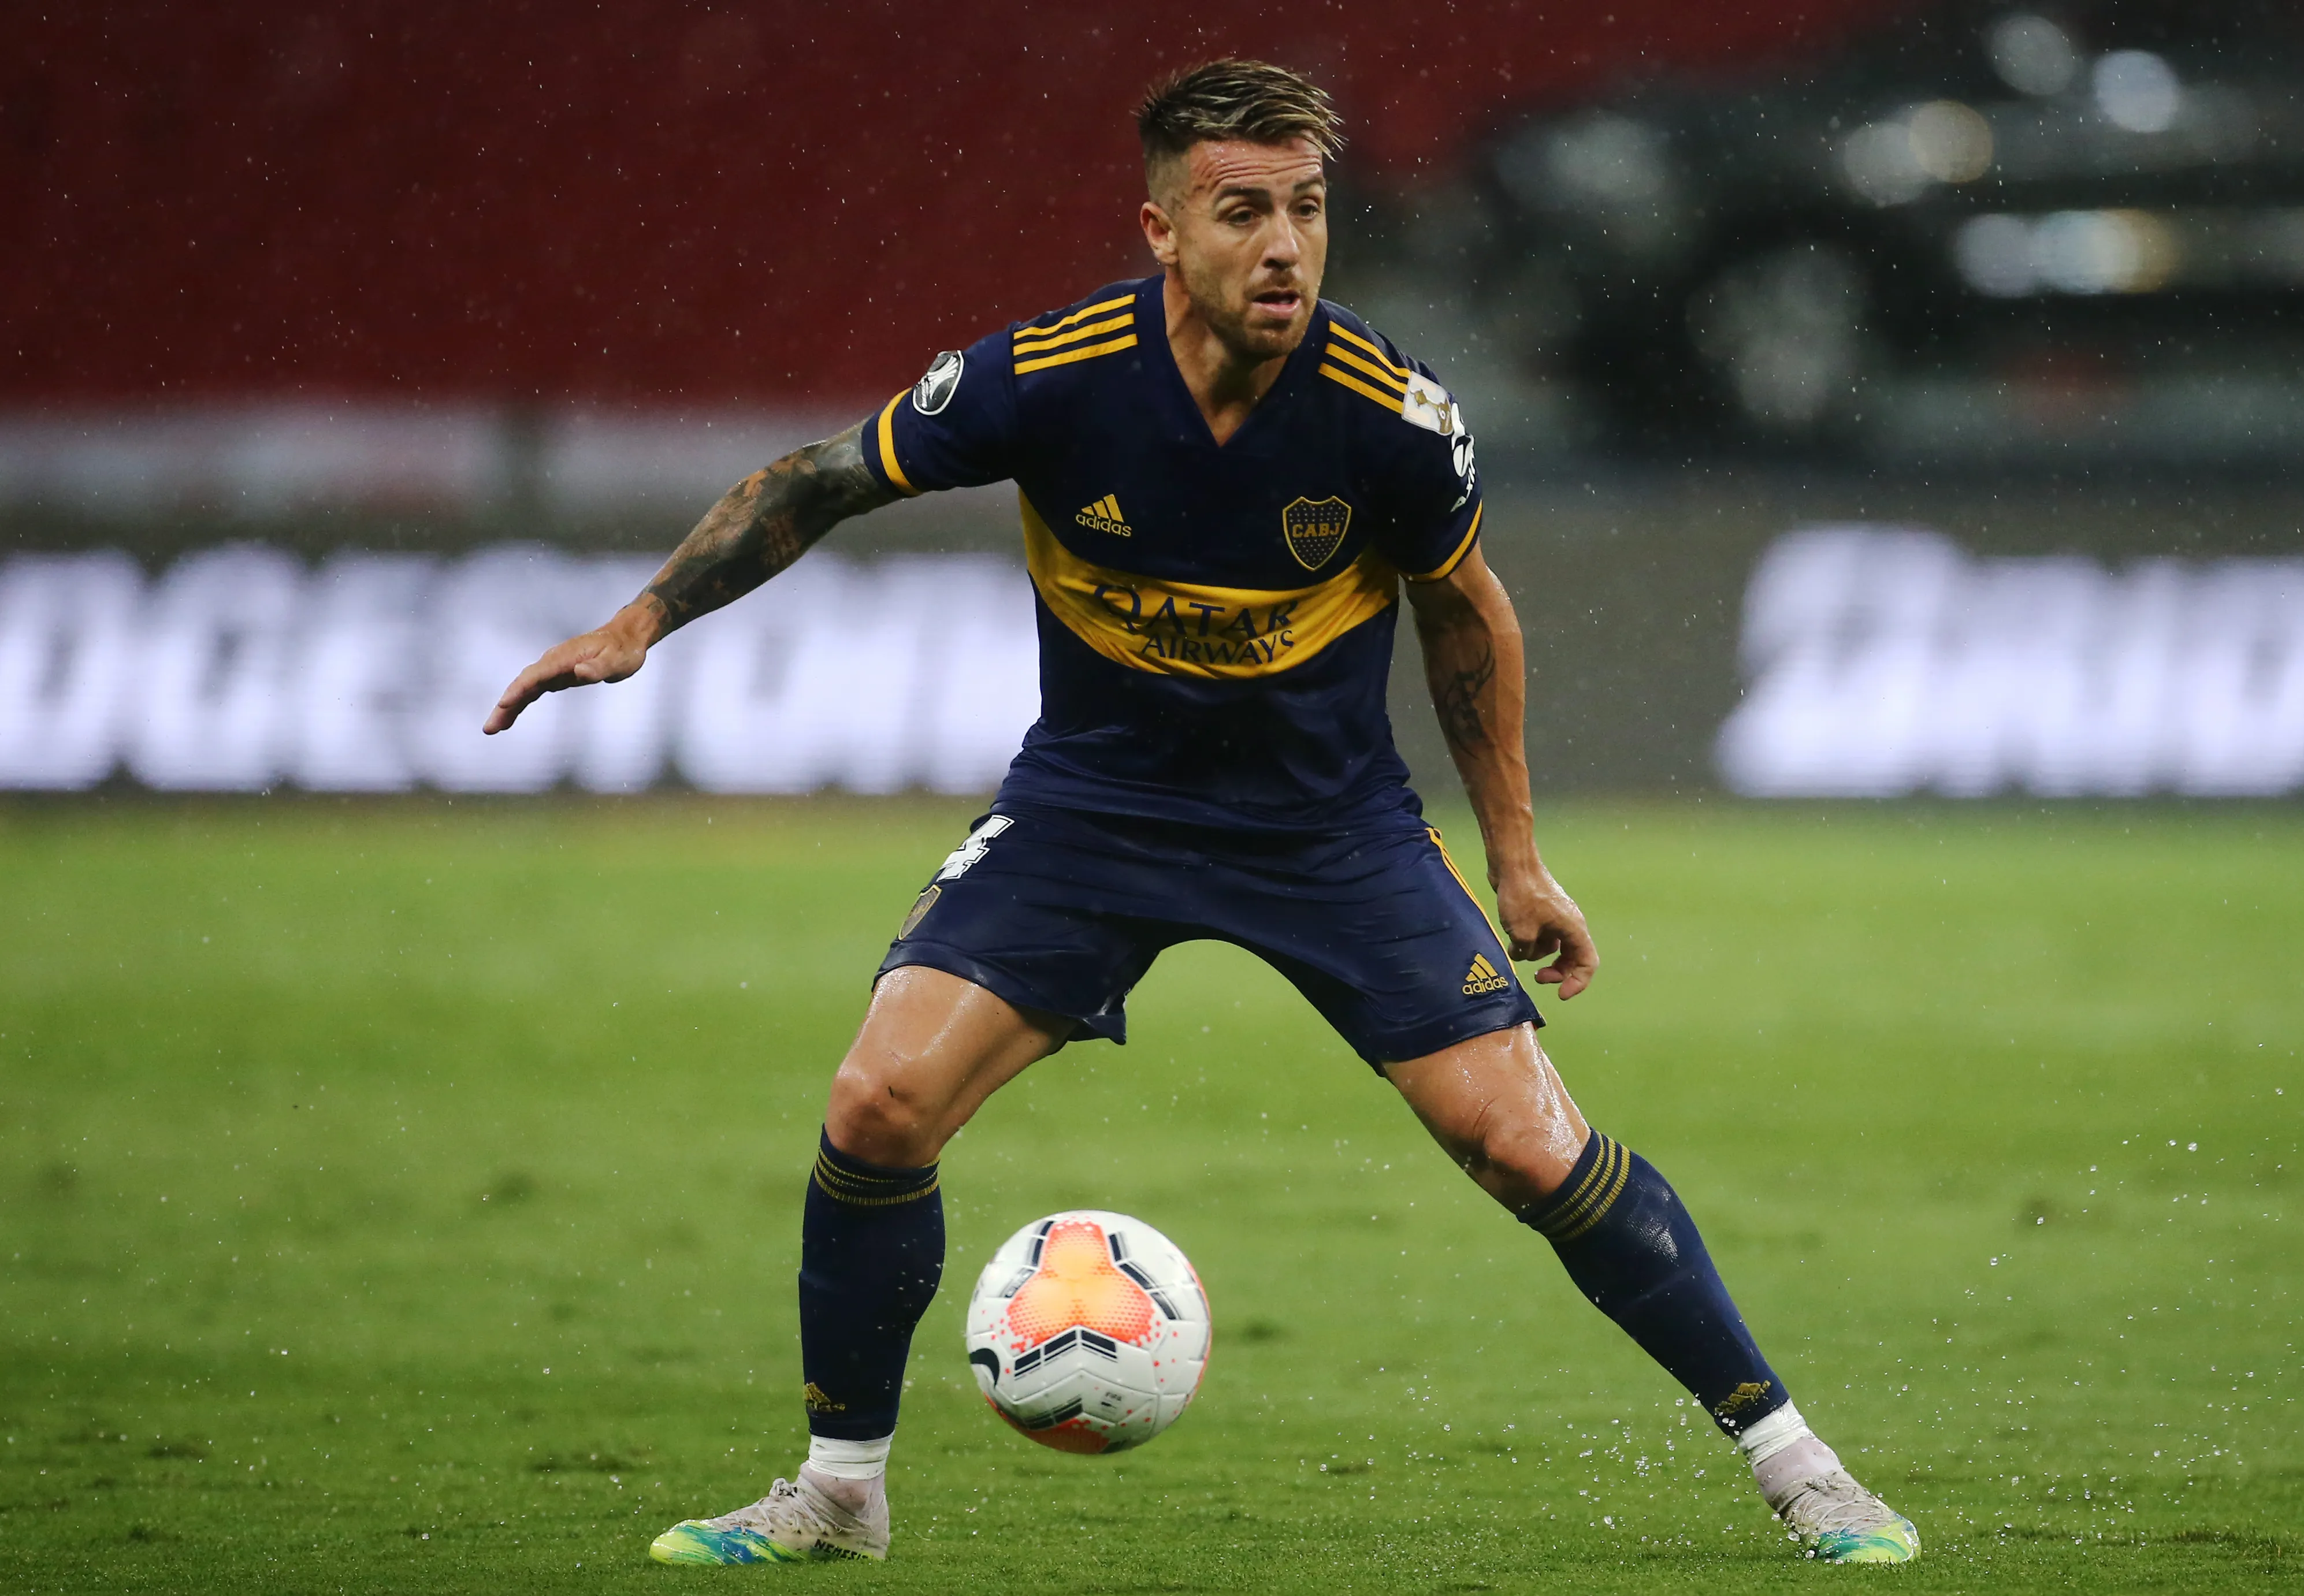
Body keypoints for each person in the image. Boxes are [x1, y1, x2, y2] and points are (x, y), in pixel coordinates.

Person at [484, 58, 1918, 1568]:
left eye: (1307, 209)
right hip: (1093, 811)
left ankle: (1804, 1470)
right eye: (1243, 212)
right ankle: (840, 1488)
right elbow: (822, 478)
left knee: (1525, 1146)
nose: (1286, 246)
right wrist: (647, 618)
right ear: (1163, 230)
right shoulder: (1049, 378)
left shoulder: (1392, 419)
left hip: (1330, 829)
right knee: (875, 1109)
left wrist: (1516, 859)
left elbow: (1466, 620)